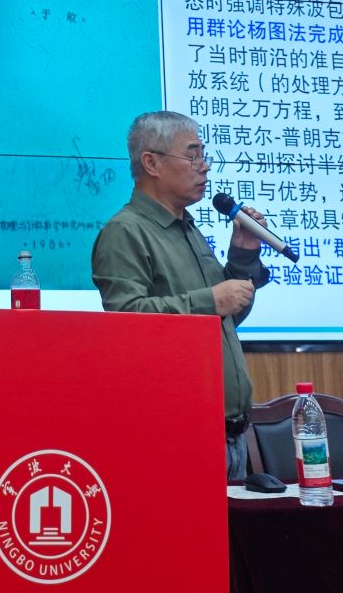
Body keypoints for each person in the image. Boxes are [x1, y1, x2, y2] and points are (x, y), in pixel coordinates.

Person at [91, 110, 268, 484]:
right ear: (151, 163)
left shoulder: (187, 228)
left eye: (204, 155)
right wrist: (209, 301)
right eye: (192, 155)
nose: (204, 166)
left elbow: (227, 316)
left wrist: (243, 253)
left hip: (231, 435)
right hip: (178, 435)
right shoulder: (125, 231)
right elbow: (125, 318)